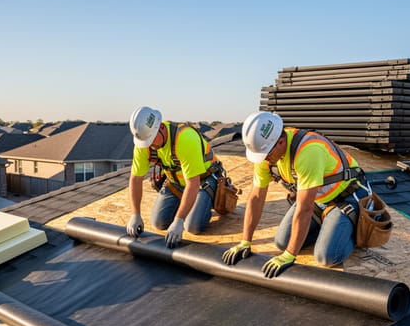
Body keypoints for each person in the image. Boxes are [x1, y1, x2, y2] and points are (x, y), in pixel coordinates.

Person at [221, 111, 371, 278]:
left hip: (346, 197)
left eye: (266, 154)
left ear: (280, 141)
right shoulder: (266, 155)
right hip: (318, 199)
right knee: (281, 242)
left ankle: (354, 227)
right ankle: (329, 224)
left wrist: (290, 254)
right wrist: (245, 241)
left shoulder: (308, 151)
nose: (264, 160)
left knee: (327, 257)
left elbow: (305, 208)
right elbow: (256, 198)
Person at [127, 106, 227, 248]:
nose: (151, 145)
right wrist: (135, 214)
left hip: (203, 181)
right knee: (158, 223)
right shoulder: (143, 143)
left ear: (160, 127)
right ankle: (187, 205)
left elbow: (193, 183)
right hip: (175, 182)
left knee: (192, 226)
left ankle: (205, 202)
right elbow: (135, 179)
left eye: (152, 140)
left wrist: (179, 220)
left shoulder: (185, 138)